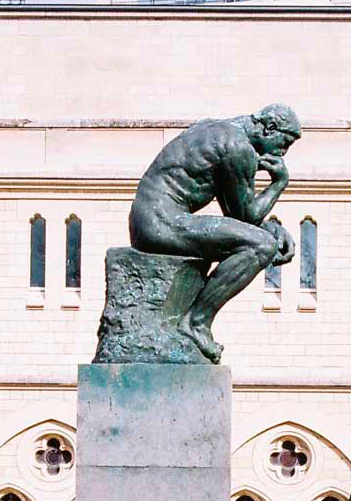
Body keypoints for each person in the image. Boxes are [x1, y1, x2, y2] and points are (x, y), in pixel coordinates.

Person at [129, 104, 301, 363]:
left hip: (149, 218)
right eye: (284, 142)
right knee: (261, 247)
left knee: (261, 239)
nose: (283, 152)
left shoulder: (217, 129)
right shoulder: (237, 147)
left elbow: (238, 213)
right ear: (269, 128)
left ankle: (194, 322)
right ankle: (196, 323)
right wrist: (279, 183)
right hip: (160, 222)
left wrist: (272, 227)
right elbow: (246, 217)